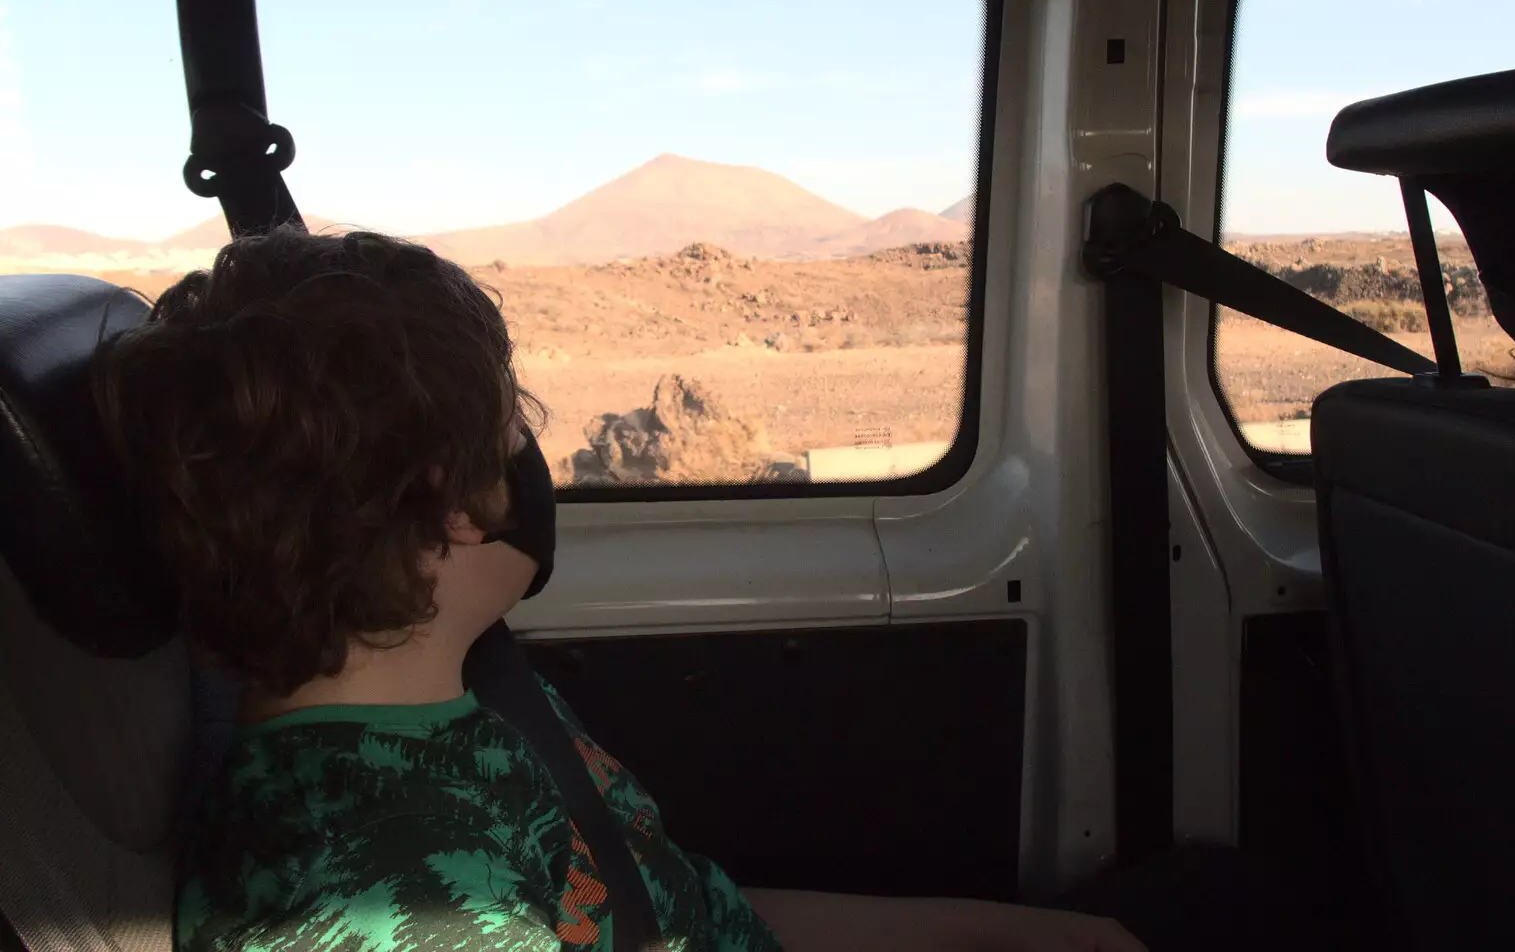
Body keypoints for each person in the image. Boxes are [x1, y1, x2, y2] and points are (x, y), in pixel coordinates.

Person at [94, 227, 1144, 952]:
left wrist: (1005, 932)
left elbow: (670, 910)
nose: (533, 460)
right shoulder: (395, 905)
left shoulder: (453, 700)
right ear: (448, 503)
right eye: (513, 431)